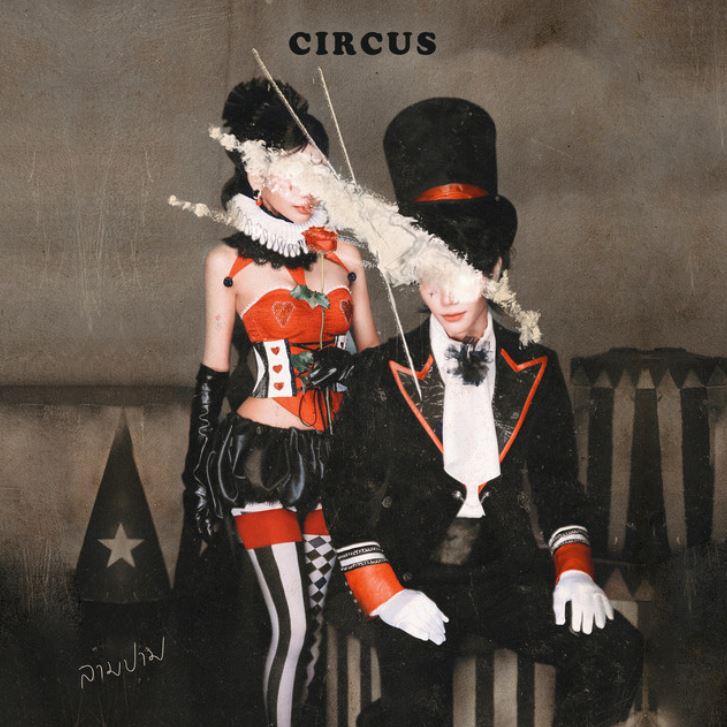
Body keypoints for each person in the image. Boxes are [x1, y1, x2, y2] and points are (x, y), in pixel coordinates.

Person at [321, 98, 643, 727]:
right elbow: (346, 493)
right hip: (414, 575)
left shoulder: (538, 366)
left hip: (506, 575)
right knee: (413, 713)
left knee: (614, 652)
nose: (442, 293)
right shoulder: (380, 370)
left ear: (495, 267)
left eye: (462, 271)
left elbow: (557, 484)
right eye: (428, 272)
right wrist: (386, 594)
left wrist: (574, 572)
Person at [181, 78, 379, 727]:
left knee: (312, 623)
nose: (309, 187)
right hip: (261, 461)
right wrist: (196, 477)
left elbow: (379, 366)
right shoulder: (228, 262)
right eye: (293, 172)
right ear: (256, 176)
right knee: (289, 626)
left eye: (318, 170)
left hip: (333, 460)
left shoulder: (346, 257)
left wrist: (349, 364)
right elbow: (212, 374)